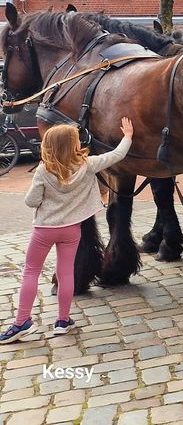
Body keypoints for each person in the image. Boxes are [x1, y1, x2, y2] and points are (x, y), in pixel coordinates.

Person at [1, 118, 134, 344]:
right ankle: (62, 321)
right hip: (71, 230)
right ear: (74, 144)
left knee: (30, 272)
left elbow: (31, 201)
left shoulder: (44, 170)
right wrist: (128, 136)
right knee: (65, 274)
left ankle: (22, 321)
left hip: (44, 230)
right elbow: (116, 155)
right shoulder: (87, 164)